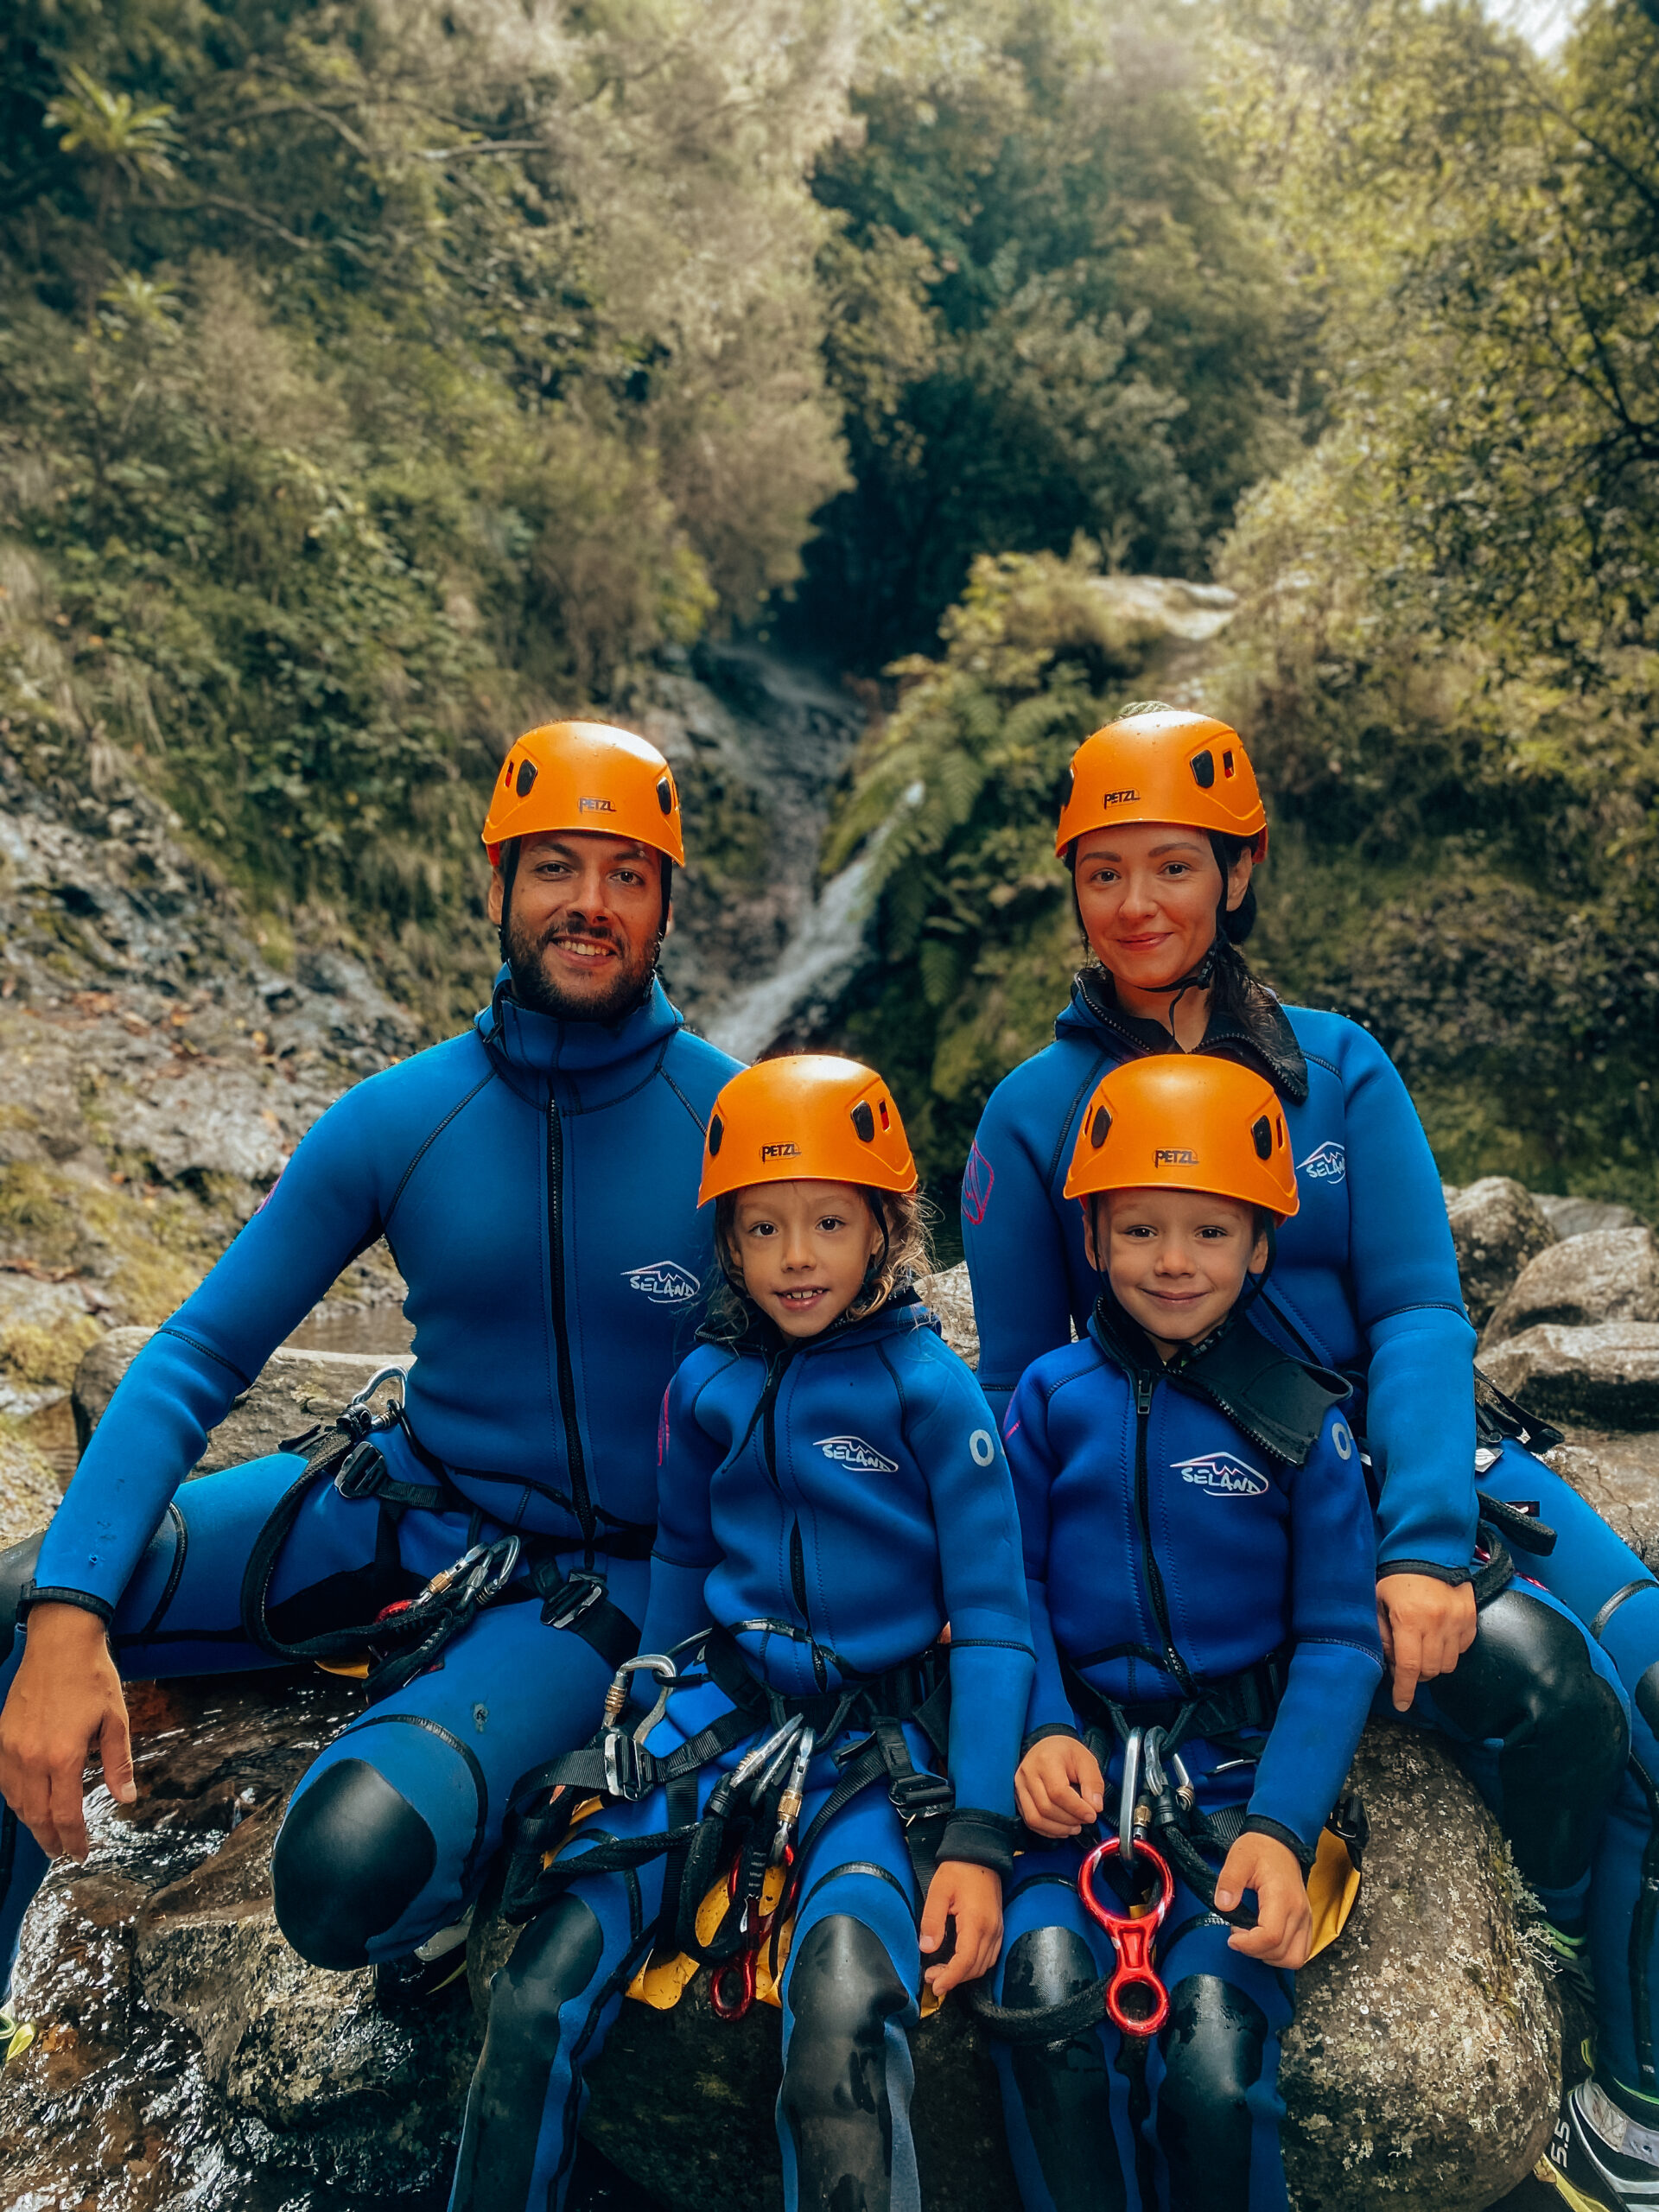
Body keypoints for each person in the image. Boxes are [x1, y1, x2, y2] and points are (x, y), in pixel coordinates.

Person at [962, 702, 1645, 2208]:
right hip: (1223, 1528)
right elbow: (1019, 1399)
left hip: (1401, 1467)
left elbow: (1414, 1309)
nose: (1138, 907)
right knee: (1538, 1692)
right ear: (1071, 890)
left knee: (1640, 1683)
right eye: (1103, 874)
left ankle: (1622, 2075)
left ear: (1241, 871)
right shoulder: (1028, 1118)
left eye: (1175, 868)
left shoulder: (1340, 1070)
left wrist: (1413, 1539)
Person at [0, 719, 739, 2032]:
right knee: (16, 1607)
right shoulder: (404, 1117)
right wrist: (70, 1610)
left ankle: (454, 1885)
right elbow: (195, 1355)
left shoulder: (734, 1131)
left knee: (346, 1868)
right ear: (497, 884)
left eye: (627, 874)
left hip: (600, 1586)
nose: (589, 903)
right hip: (403, 1503)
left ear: (667, 904)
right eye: (555, 867)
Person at [450, 1053, 1034, 2212]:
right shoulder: (708, 1383)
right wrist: (644, 1702)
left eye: (829, 1222)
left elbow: (1000, 1622)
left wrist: (977, 1837)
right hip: (720, 1716)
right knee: (536, 1990)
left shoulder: (933, 1394)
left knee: (839, 2021)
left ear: (885, 1229)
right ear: (726, 1243)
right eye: (763, 1229)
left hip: (876, 1748)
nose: (798, 1257)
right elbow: (679, 1557)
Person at [986, 1052, 1382, 2212]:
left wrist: (1282, 1825)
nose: (1172, 1262)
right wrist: (1043, 1729)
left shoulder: (1304, 1426)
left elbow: (1340, 1638)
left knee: (1211, 2061)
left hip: (1233, 1788)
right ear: (1095, 1238)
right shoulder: (1050, 1402)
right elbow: (1006, 1587)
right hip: (1079, 1781)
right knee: (1051, 2004)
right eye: (1141, 1229)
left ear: (1262, 1246)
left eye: (1210, 1233)